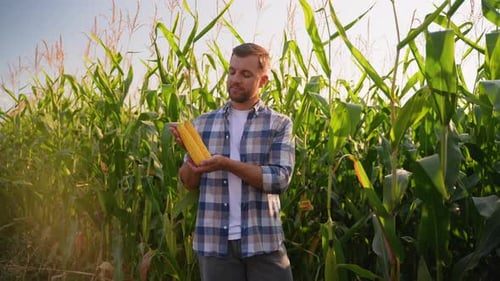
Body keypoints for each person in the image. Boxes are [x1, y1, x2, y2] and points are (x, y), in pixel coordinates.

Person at [169, 42, 295, 281]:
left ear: (263, 81)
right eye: (232, 71)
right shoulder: (203, 123)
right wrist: (192, 160)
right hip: (215, 243)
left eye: (246, 74)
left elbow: (279, 180)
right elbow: (188, 182)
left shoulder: (279, 124)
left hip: (263, 241)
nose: (235, 79)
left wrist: (226, 164)